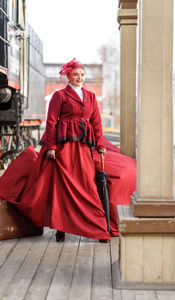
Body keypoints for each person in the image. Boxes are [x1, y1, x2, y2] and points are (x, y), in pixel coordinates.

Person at [0, 58, 137, 241]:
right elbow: (51, 122)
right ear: (68, 76)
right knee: (63, 189)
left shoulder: (90, 97)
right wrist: (51, 147)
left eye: (82, 75)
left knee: (87, 185)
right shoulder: (59, 96)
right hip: (63, 149)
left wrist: (100, 145)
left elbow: (96, 123)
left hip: (84, 149)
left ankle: (98, 228)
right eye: (75, 75)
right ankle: (60, 228)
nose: (79, 78)